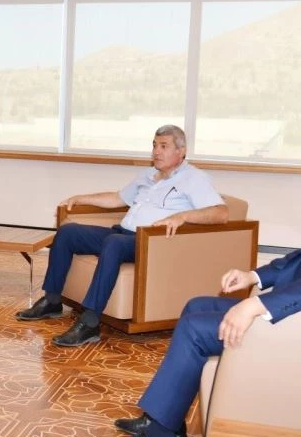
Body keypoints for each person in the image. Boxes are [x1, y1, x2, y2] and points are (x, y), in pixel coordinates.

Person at [103, 143, 301, 437]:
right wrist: (254, 276)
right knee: (196, 306)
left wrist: (256, 304)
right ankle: (166, 421)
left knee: (194, 329)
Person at [15, 125, 229, 347]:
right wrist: (80, 198)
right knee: (68, 232)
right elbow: (118, 198)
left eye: (164, 146)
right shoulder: (148, 175)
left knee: (114, 243)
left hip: (151, 242)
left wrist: (182, 216)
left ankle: (89, 322)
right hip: (122, 234)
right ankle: (52, 300)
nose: (156, 151)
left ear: (181, 151)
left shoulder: (194, 178)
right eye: (154, 145)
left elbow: (221, 213)